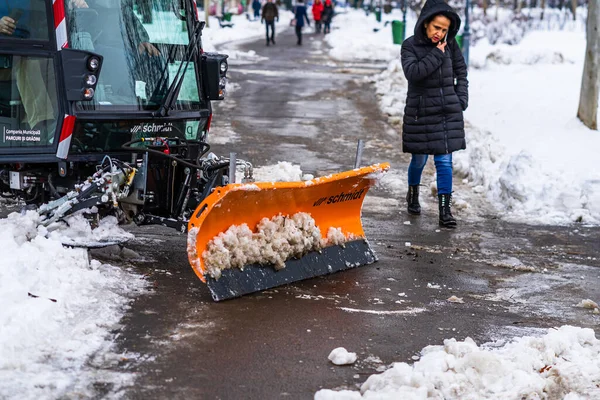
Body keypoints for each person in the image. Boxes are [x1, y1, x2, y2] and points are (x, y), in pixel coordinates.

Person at [400, 0, 468, 228]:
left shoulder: (451, 45)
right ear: (426, 23)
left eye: (445, 30)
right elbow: (414, 73)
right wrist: (437, 55)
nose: (440, 33)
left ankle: (445, 210)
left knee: (445, 161)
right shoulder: (409, 46)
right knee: (419, 159)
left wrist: (461, 100)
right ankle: (412, 194)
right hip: (420, 112)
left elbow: (461, 72)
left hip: (447, 112)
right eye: (437, 27)